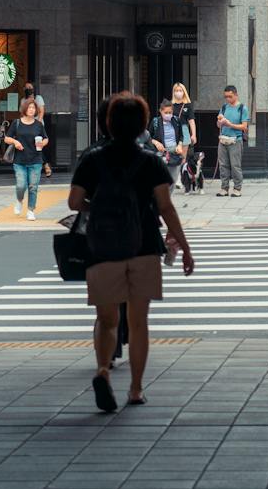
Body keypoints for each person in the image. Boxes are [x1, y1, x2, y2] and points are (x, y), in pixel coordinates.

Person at [70, 92, 194, 412]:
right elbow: (166, 208)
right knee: (138, 322)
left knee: (106, 318)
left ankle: (102, 371)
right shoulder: (150, 160)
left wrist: (97, 210)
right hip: (144, 245)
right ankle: (136, 389)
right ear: (142, 124)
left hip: (102, 247)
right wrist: (185, 247)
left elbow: (74, 203)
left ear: (108, 123)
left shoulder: (93, 158)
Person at [2, 100, 49, 220]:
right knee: (21, 185)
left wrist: (42, 144)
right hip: (20, 161)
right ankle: (19, 200)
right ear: (24, 109)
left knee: (33, 186)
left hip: (36, 160)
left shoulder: (39, 125)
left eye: (33, 108)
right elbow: (6, 139)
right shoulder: (17, 123)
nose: (32, 110)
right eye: (29, 108)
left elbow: (46, 138)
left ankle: (30, 211)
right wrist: (15, 141)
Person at [214, 84, 251, 196]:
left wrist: (230, 124)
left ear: (236, 95)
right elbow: (218, 124)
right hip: (223, 139)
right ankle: (224, 188)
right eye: (226, 97)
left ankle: (237, 188)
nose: (228, 99)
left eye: (230, 96)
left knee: (235, 165)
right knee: (223, 165)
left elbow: (244, 127)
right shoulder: (224, 107)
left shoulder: (242, 108)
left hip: (236, 140)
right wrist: (220, 122)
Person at [149, 98, 192, 186]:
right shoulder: (155, 122)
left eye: (170, 112)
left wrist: (180, 145)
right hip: (161, 152)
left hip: (174, 152)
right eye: (166, 113)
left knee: (172, 179)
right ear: (160, 111)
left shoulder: (176, 120)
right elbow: (149, 137)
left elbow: (181, 136)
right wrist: (156, 143)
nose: (168, 115)